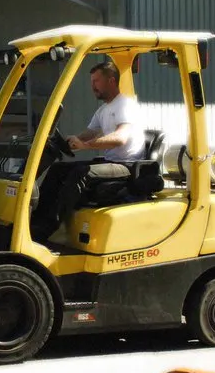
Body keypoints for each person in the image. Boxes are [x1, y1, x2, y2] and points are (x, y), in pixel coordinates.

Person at [30, 60, 146, 243]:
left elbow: (120, 138)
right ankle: (35, 220)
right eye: (92, 81)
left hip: (127, 166)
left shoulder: (125, 105)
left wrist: (85, 145)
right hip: (110, 163)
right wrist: (70, 140)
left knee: (80, 173)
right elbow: (89, 133)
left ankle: (49, 226)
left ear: (112, 81)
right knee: (57, 170)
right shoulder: (104, 109)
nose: (93, 86)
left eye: (97, 81)